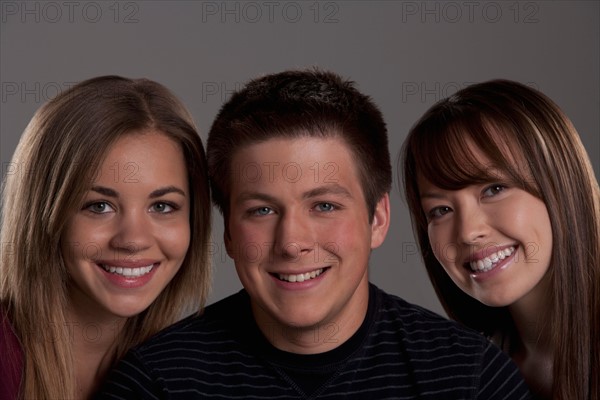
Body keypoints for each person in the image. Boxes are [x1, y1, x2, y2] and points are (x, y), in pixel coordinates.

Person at [98, 69, 531, 399]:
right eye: (262, 210)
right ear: (228, 231)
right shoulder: (155, 384)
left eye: (324, 206)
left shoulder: (470, 378)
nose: (292, 242)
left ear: (378, 218)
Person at [0, 76, 212, 399]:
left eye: (162, 206)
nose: (133, 240)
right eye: (99, 206)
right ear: (43, 214)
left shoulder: (184, 371)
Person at [401, 79, 600, 399]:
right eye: (440, 210)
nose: (467, 232)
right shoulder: (461, 373)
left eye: (493, 189)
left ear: (561, 185)